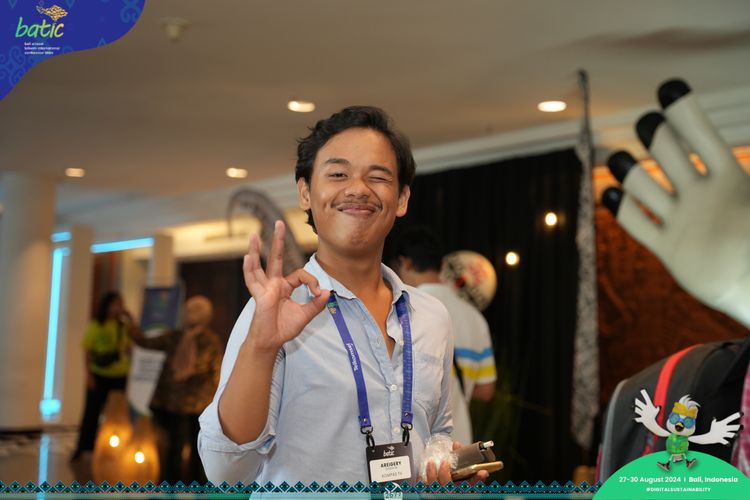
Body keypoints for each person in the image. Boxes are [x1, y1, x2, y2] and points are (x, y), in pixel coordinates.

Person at [198, 106, 489, 485]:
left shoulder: (431, 317)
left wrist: (445, 469)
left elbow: (437, 434)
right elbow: (225, 472)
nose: (358, 189)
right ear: (305, 192)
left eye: (378, 176)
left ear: (402, 199)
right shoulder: (274, 312)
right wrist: (262, 347)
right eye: (338, 174)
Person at [386, 227, 497, 446]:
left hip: (416, 444)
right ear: (442, 264)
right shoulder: (475, 317)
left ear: (404, 263)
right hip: (459, 442)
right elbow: (486, 390)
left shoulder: (402, 308)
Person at [128, 295, 223, 484]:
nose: (186, 314)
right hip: (174, 404)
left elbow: (214, 371)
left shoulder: (209, 341)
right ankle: (171, 486)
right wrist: (130, 324)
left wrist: (216, 402)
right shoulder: (175, 336)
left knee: (197, 447)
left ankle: (195, 486)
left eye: (191, 311)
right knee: (175, 447)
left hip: (197, 405)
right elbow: (145, 342)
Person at [71, 291, 132, 462]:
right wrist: (89, 375)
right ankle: (84, 447)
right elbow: (87, 351)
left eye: (121, 304)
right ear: (107, 305)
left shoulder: (123, 326)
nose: (120, 307)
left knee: (116, 413)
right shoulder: (96, 325)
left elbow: (130, 346)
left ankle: (114, 448)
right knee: (91, 412)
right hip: (99, 374)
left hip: (120, 375)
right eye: (117, 304)